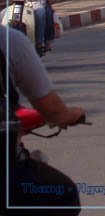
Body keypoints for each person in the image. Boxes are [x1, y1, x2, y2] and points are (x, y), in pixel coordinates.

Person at [1, 24, 84, 214]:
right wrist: (70, 115)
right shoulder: (9, 40)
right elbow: (52, 110)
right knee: (65, 193)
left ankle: (43, 40)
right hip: (8, 170)